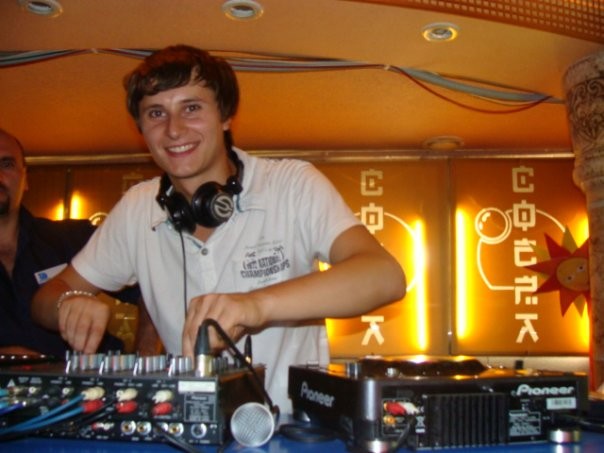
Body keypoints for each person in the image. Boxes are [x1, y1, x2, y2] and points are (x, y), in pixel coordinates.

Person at [31, 45, 406, 411]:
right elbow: (47, 298)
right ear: (141, 129)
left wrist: (254, 306)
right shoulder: (136, 208)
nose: (173, 130)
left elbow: (385, 275)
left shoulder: (292, 184)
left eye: (191, 108)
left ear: (225, 115)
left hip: (292, 429)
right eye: (156, 113)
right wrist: (68, 302)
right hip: (192, 430)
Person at [0, 128, 141, 357]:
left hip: (90, 378)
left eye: (6, 164)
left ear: (25, 178)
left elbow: (152, 289)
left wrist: (146, 354)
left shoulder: (74, 238)